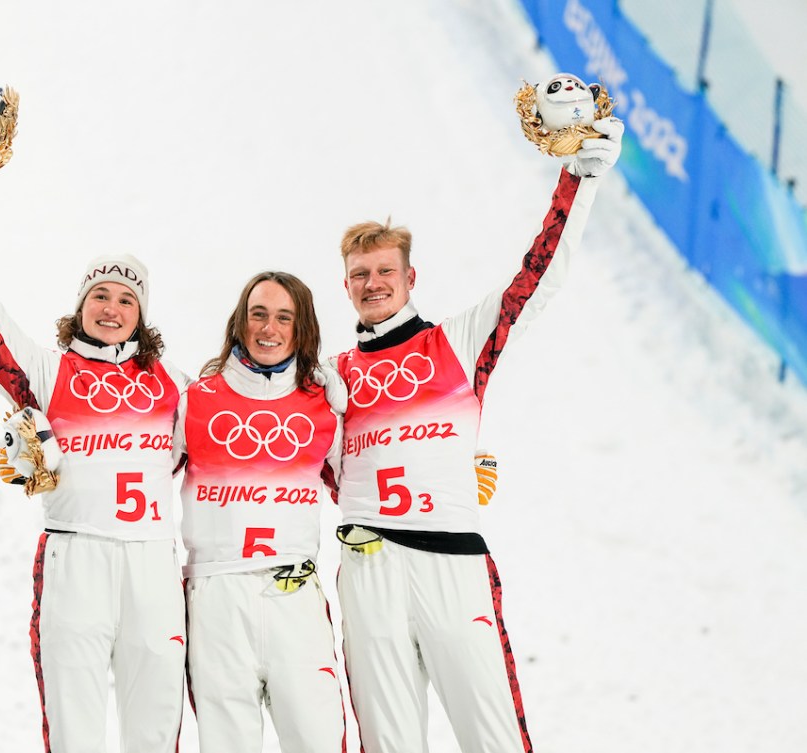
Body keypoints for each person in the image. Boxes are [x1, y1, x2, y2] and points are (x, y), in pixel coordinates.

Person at [331, 117, 625, 752]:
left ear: (411, 279)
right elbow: (298, 460)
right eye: (360, 274)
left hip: (451, 561)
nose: (373, 284)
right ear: (346, 285)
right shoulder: (333, 378)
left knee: (492, 739)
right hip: (366, 568)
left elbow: (535, 280)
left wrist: (579, 179)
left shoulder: (456, 344)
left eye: (385, 271)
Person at [0, 129, 188, 753]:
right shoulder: (47, 372)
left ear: (141, 316)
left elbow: (245, 439)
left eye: (127, 299)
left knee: (155, 733)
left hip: (154, 561)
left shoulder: (177, 387)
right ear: (81, 305)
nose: (111, 306)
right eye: (100, 294)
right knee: (75, 734)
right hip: (76, 560)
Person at [173, 271, 347, 752]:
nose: (269, 328)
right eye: (259, 314)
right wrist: (48, 462)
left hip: (293, 592)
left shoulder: (325, 406)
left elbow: (367, 482)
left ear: (301, 328)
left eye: (284, 318)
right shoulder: (195, 401)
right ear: (240, 323)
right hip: (216, 595)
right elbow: (137, 466)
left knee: (317, 740)